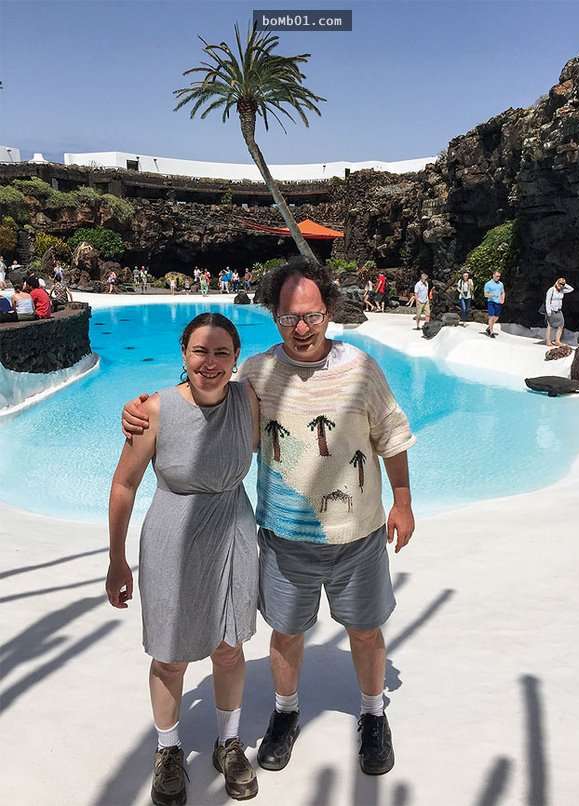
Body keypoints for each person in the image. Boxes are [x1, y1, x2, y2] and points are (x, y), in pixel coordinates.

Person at [122, 257, 416, 779]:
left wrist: (403, 501)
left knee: (366, 630)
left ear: (330, 312)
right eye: (289, 317)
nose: (301, 328)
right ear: (275, 317)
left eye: (312, 316)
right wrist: (143, 407)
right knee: (286, 633)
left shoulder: (362, 368)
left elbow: (391, 434)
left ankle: (374, 715)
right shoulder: (256, 374)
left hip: (358, 535)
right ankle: (285, 713)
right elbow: (204, 396)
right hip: (283, 536)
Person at [107, 313, 261, 804]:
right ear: (183, 354)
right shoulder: (154, 411)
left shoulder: (249, 400)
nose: (210, 363)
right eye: (200, 351)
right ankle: (169, 749)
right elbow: (124, 484)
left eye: (221, 353)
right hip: (172, 539)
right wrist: (116, 559)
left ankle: (228, 742)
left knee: (229, 647)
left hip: (234, 530)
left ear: (235, 358)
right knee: (170, 655)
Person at [545, 277, 574, 348]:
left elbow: (571, 289)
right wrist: (548, 311)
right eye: (560, 283)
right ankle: (548, 341)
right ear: (557, 282)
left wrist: (564, 284)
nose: (561, 285)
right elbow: (547, 301)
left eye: (562, 284)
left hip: (558, 310)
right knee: (550, 325)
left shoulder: (562, 290)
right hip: (551, 309)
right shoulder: (551, 290)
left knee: (561, 325)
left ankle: (557, 341)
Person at [483, 270, 505, 338]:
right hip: (491, 302)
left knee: (496, 317)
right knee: (491, 316)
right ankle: (491, 332)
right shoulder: (488, 284)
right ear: (493, 275)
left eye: (499, 276)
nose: (498, 277)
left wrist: (503, 299)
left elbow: (503, 292)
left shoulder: (501, 284)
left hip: (498, 302)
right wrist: (492, 294)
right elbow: (485, 295)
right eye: (497, 276)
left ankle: (489, 328)